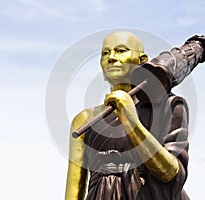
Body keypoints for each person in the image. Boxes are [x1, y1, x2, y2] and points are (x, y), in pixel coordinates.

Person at [65, 31, 190, 200]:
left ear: (142, 61)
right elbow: (75, 188)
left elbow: (171, 172)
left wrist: (130, 119)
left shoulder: (169, 106)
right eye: (105, 53)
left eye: (121, 51)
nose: (111, 58)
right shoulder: (85, 119)